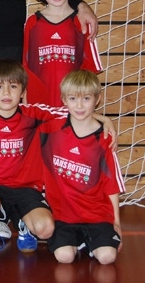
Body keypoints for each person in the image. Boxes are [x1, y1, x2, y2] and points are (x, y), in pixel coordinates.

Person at [0, 59, 116, 257]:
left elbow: (73, 109)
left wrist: (104, 119)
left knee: (46, 228)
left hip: (24, 187)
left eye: (13, 86)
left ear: (23, 92)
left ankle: (23, 223)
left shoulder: (33, 114)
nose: (6, 93)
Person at [40, 70, 125, 264]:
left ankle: (92, 242)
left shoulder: (104, 139)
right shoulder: (50, 128)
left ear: (97, 99)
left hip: (96, 215)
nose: (79, 105)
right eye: (73, 98)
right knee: (64, 257)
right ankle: (80, 242)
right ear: (64, 100)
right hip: (63, 215)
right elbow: (17, 109)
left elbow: (111, 185)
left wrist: (116, 222)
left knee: (107, 257)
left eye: (86, 98)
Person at [23, 0, 103, 107]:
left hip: (73, 108)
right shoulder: (33, 23)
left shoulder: (82, 22)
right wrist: (27, 109)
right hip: (39, 108)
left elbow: (90, 71)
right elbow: (26, 69)